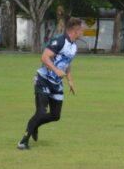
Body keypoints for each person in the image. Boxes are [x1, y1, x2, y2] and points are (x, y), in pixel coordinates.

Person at [17, 17, 83, 150]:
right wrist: (56, 70)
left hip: (56, 83)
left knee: (55, 116)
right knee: (41, 112)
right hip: (43, 80)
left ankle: (35, 125)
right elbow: (44, 57)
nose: (82, 32)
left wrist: (70, 80)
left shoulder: (74, 46)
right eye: (81, 29)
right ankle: (23, 141)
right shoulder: (59, 40)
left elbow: (67, 64)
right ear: (75, 30)